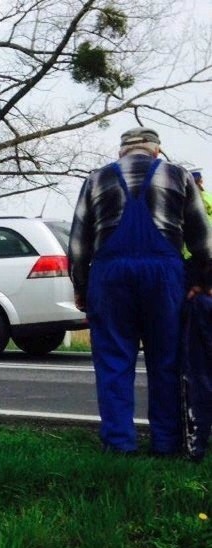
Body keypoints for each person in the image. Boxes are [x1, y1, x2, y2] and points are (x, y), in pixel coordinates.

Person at [69, 126, 212, 455]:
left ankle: (118, 445)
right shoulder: (179, 177)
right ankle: (167, 444)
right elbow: (203, 241)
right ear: (156, 151)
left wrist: (82, 287)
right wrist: (203, 282)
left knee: (114, 362)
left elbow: (78, 246)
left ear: (122, 152)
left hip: (110, 278)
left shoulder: (96, 179)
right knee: (167, 362)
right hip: (165, 278)